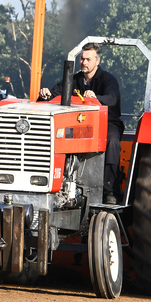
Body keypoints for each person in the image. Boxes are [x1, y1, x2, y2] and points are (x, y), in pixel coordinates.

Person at [39, 42, 124, 205]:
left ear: (97, 61)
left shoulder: (108, 80)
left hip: (107, 123)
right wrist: (45, 95)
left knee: (112, 141)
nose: (84, 62)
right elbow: (54, 94)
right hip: (80, 123)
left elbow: (112, 98)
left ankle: (110, 190)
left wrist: (96, 97)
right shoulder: (74, 79)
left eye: (88, 59)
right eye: (82, 59)